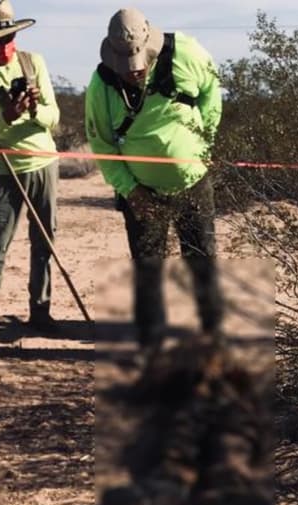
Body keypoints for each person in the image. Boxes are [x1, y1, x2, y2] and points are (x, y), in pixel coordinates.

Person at [85, 7, 224, 366]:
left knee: (202, 260)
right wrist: (130, 190)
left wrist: (203, 145)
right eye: (125, 62)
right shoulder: (101, 84)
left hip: (194, 182)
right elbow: (101, 144)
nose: (133, 69)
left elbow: (212, 93)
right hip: (141, 192)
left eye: (138, 60)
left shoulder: (188, 53)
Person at [0, 0, 61, 334]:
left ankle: (41, 311)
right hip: (3, 169)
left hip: (43, 163)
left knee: (44, 240)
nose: (3, 46)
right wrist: (6, 116)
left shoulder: (35, 64)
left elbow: (54, 117)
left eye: (8, 38)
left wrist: (32, 110)